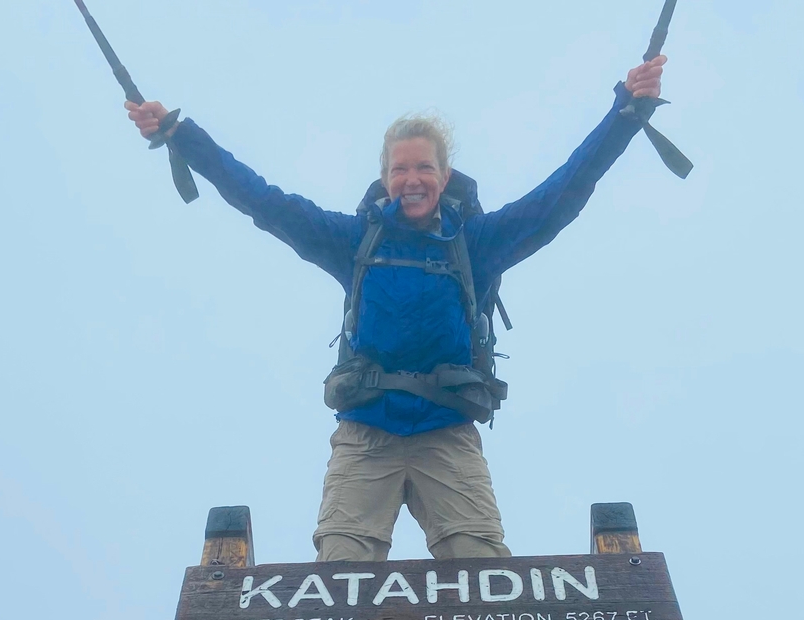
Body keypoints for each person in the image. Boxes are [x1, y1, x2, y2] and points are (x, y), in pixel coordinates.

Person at [126, 56, 667, 563]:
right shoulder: (352, 240)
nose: (412, 181)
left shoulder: (475, 242)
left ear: (445, 175)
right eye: (400, 170)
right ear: (385, 178)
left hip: (448, 434)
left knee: (482, 578)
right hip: (364, 436)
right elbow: (264, 201)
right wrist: (182, 136)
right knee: (340, 579)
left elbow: (561, 194)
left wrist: (624, 114)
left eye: (424, 168)